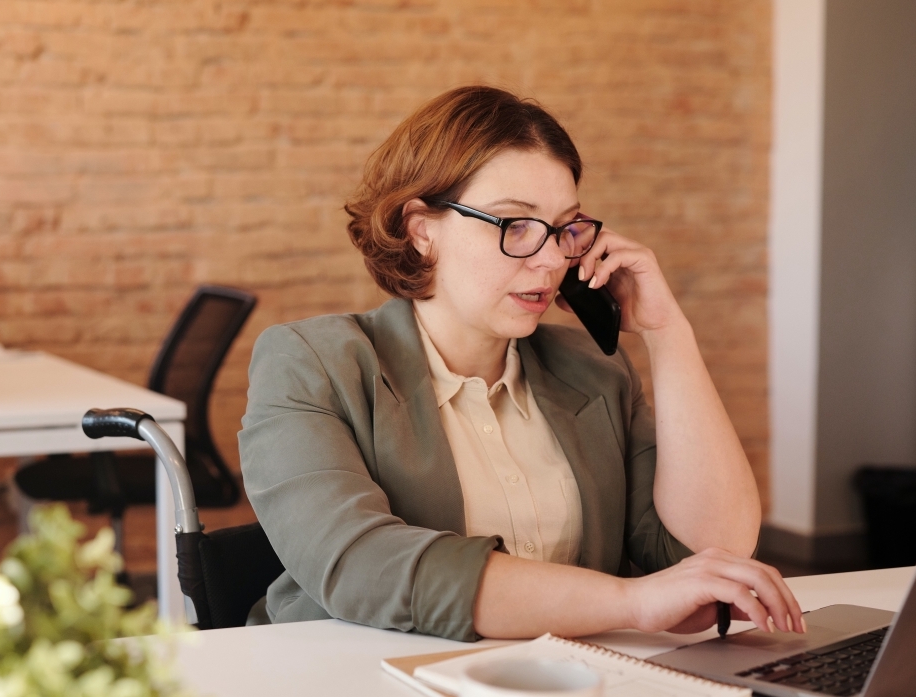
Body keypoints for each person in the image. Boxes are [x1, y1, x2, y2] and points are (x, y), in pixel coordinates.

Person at [238, 86, 803, 642]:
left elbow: (712, 552)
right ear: (422, 230)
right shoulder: (311, 362)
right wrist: (631, 602)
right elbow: (359, 564)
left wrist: (666, 333)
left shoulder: (592, 369)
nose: (554, 257)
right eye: (516, 225)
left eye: (564, 228)